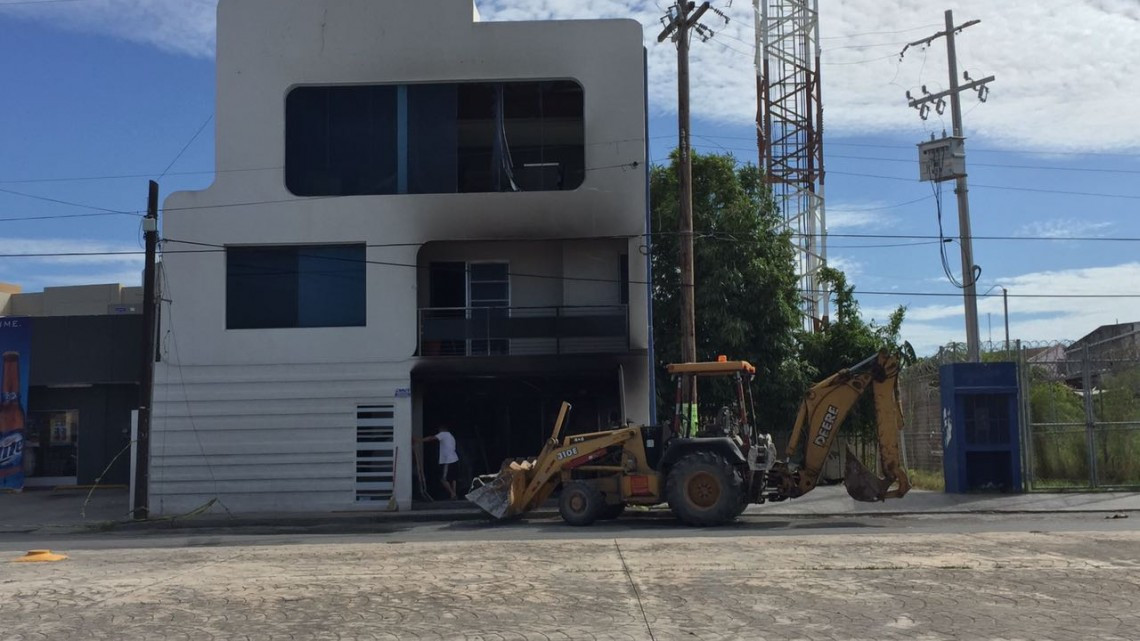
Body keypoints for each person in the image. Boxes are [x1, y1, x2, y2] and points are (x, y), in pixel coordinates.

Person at [416, 425, 459, 500]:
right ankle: (454, 494)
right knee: (453, 478)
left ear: (441, 429)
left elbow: (431, 438)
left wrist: (419, 440)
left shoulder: (443, 434)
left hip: (448, 460)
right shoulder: (451, 436)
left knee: (443, 479)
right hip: (455, 458)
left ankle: (453, 494)